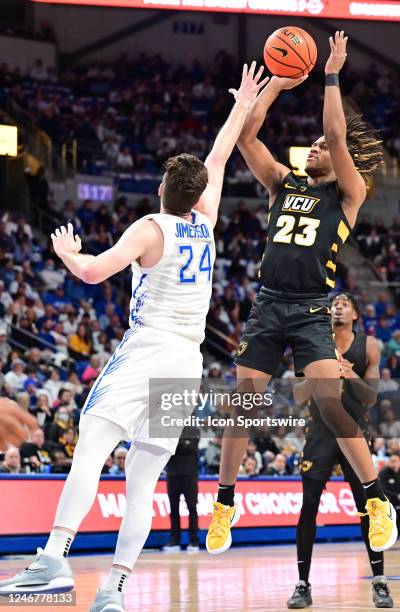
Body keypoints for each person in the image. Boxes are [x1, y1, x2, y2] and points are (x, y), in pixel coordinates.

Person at [0, 63, 269, 612]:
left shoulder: (151, 226)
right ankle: (114, 591)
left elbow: (95, 273)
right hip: (186, 364)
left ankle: (53, 559)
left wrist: (68, 254)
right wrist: (240, 107)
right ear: (197, 196)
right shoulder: (206, 222)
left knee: (92, 447)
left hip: (147, 349)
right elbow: (217, 159)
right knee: (142, 481)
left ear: (166, 188)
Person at [206, 32, 396, 558]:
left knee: (332, 407)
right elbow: (247, 138)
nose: (313, 148)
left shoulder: (348, 194)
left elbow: (336, 133)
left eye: (319, 148)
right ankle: (225, 503)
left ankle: (376, 500)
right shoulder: (282, 184)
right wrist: (278, 85)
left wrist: (331, 75)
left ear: (339, 161)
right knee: (241, 406)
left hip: (313, 308)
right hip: (269, 303)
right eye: (309, 146)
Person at [287, 293, 393, 609]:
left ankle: (379, 583)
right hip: (319, 433)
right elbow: (297, 394)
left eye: (345, 304)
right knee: (308, 507)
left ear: (356, 314)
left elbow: (371, 397)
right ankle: (303, 585)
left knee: (368, 508)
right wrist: (324, 373)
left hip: (354, 434)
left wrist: (350, 373)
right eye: (334, 303)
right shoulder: (312, 343)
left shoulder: (369, 345)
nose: (338, 306)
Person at [163, 427, 200, 552]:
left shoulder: (194, 431)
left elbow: (190, 448)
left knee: (192, 508)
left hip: (190, 475)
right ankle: (174, 541)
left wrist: (175, 444)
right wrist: (182, 444)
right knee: (173, 509)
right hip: (172, 474)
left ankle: (193, 541)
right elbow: (167, 448)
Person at [379, 454, 400, 535]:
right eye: (392, 462)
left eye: (396, 461)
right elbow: (383, 489)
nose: (394, 464)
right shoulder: (384, 473)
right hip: (390, 498)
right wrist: (397, 496)